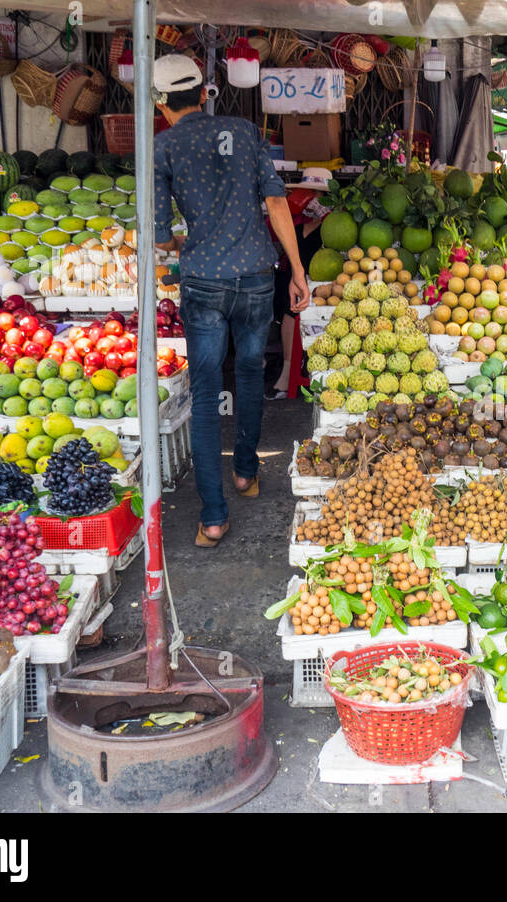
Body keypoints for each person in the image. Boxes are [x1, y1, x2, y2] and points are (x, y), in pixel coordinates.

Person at [152, 54, 310, 547]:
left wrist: (183, 243)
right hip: (258, 276)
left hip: (203, 282)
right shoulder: (245, 131)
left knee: (204, 396)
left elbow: (160, 238)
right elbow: (276, 201)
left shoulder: (163, 146)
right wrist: (297, 270)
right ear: (204, 92)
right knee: (247, 372)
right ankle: (245, 472)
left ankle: (214, 518)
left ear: (162, 104)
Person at [270, 167, 331, 400]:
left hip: (321, 283)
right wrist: (289, 208)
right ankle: (286, 370)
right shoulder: (294, 222)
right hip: (291, 283)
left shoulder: (331, 224)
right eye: (310, 193)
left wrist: (326, 215)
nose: (314, 199)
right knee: (286, 303)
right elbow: (271, 230)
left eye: (319, 195)